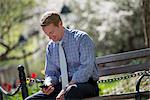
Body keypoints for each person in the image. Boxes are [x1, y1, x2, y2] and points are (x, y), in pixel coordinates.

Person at [25, 11, 99, 100]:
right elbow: (51, 72)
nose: (50, 37)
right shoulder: (51, 47)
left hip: (85, 84)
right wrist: (49, 84)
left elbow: (86, 68)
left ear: (60, 24)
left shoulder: (81, 38)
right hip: (62, 87)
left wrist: (66, 88)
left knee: (71, 91)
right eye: (47, 34)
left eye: (51, 32)